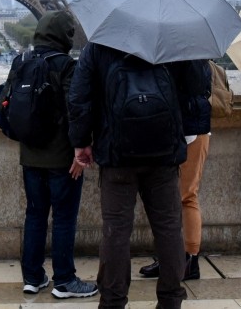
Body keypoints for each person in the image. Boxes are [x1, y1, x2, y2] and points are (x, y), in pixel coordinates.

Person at [68, 42, 197, 309]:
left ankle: (113, 302)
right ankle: (171, 300)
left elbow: (80, 96)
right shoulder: (172, 39)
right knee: (169, 229)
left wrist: (81, 141)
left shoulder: (99, 44)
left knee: (115, 232)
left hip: (117, 154)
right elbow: (196, 87)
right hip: (163, 152)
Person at [6, 11, 98, 299]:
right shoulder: (66, 66)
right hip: (61, 158)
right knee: (63, 218)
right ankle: (64, 280)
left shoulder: (22, 61)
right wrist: (79, 150)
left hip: (30, 155)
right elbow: (76, 112)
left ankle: (32, 277)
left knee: (34, 215)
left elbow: (7, 104)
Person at [140, 60, 214, 281]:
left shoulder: (181, 57)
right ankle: (177, 258)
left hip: (186, 129)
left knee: (185, 196)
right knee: (178, 197)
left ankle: (189, 259)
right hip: (193, 128)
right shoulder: (198, 54)